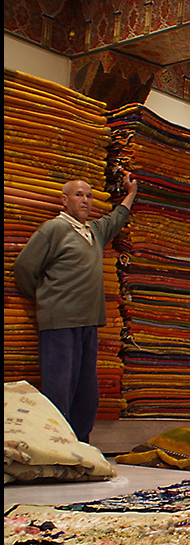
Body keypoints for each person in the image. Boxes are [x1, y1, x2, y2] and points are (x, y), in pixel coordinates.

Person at [14, 169, 138, 443]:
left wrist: (131, 194)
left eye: (90, 196)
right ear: (65, 201)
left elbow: (116, 219)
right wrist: (44, 299)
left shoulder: (93, 231)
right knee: (59, 388)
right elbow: (24, 266)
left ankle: (81, 445)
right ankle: (57, 446)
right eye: (79, 195)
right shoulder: (54, 229)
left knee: (86, 390)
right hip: (59, 321)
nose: (85, 200)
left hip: (88, 321)